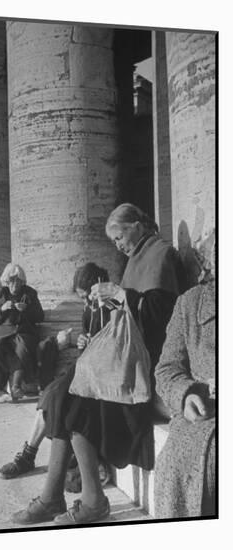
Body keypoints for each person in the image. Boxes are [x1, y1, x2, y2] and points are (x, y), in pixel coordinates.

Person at [12, 203, 183, 526]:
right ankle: (54, 496)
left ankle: (91, 500)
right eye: (114, 241)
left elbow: (164, 316)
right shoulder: (135, 258)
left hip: (143, 363)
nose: (118, 245)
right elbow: (131, 307)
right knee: (60, 393)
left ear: (136, 224)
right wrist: (114, 300)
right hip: (123, 355)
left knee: (75, 402)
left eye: (119, 237)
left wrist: (121, 294)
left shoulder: (161, 253)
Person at [0, 263, 110, 479]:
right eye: (82, 298)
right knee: (51, 393)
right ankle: (28, 455)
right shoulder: (90, 309)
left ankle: (31, 458)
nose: (86, 302)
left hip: (104, 373)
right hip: (88, 366)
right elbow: (88, 339)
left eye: (88, 296)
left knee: (58, 396)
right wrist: (83, 341)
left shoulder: (113, 307)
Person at [154, 232, 215, 519]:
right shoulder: (190, 304)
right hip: (201, 419)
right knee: (177, 468)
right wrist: (187, 394)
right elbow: (167, 369)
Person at [0, 263, 44, 402]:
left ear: (23, 282)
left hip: (24, 331)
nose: (15, 284)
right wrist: (2, 309)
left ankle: (16, 386)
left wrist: (27, 309)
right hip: (3, 332)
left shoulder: (30, 293)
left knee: (22, 347)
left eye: (18, 281)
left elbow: (40, 316)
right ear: (6, 281)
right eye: (12, 280)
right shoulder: (0, 294)